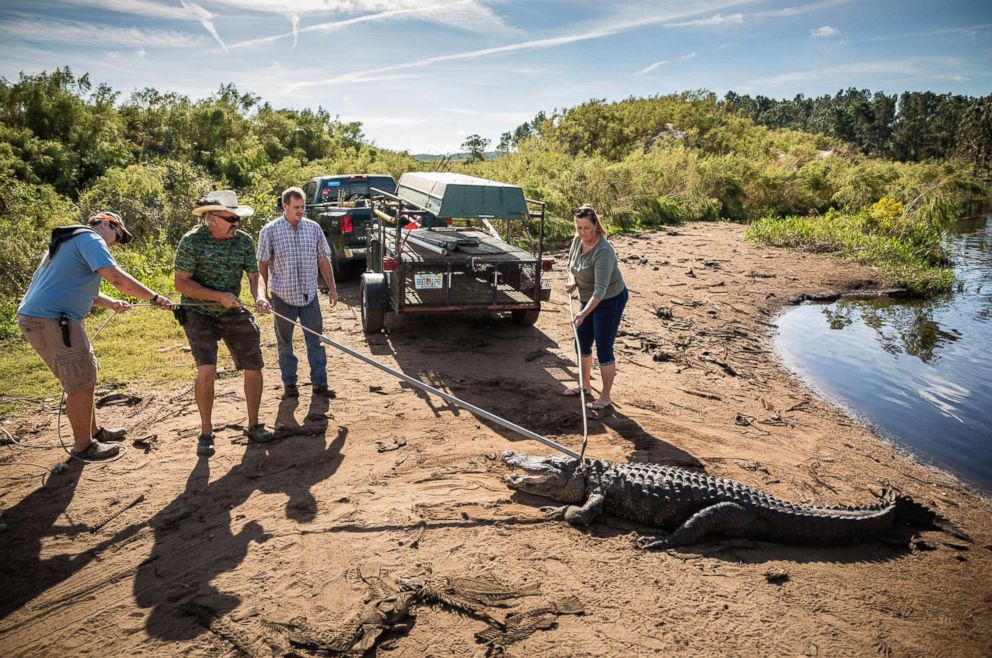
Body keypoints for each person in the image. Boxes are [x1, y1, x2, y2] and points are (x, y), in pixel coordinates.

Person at [17, 211, 174, 460]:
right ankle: (83, 446)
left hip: (48, 319)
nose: (115, 242)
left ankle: (94, 432)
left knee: (84, 375)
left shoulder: (72, 241)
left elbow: (76, 288)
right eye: (117, 235)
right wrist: (154, 297)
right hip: (53, 321)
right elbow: (116, 277)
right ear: (104, 224)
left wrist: (111, 303)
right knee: (79, 382)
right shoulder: (91, 239)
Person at [174, 190, 275, 457]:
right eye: (231, 218)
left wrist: (261, 297)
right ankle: (206, 432)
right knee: (207, 371)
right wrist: (218, 296)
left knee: (254, 366)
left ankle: (254, 424)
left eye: (237, 218)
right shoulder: (192, 242)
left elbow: (255, 277)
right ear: (212, 219)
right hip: (198, 313)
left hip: (233, 311)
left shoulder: (243, 242)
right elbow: (181, 283)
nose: (236, 224)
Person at [257, 186, 338, 399]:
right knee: (285, 345)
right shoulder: (270, 231)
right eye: (296, 207)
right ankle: (290, 385)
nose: (301, 211)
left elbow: (323, 258)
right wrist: (262, 295)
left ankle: (320, 385)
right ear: (285, 206)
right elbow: (263, 264)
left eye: (303, 206)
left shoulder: (313, 228)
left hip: (309, 295)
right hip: (283, 297)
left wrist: (332, 287)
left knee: (316, 342)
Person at [563, 204, 629, 420]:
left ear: (596, 226)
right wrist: (572, 281)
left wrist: (583, 314)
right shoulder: (576, 241)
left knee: (603, 347)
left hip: (609, 300)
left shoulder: (604, 251)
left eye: (587, 228)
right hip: (586, 297)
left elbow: (600, 290)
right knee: (581, 341)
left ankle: (606, 396)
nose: (583, 232)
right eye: (579, 227)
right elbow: (571, 267)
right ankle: (585, 386)